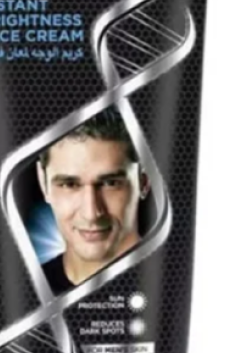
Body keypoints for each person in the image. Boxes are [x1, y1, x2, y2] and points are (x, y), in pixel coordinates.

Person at [36, 108, 149, 295]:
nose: (91, 213)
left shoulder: (173, 283)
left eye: (110, 183)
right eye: (69, 184)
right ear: (43, 183)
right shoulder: (29, 291)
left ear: (144, 181)